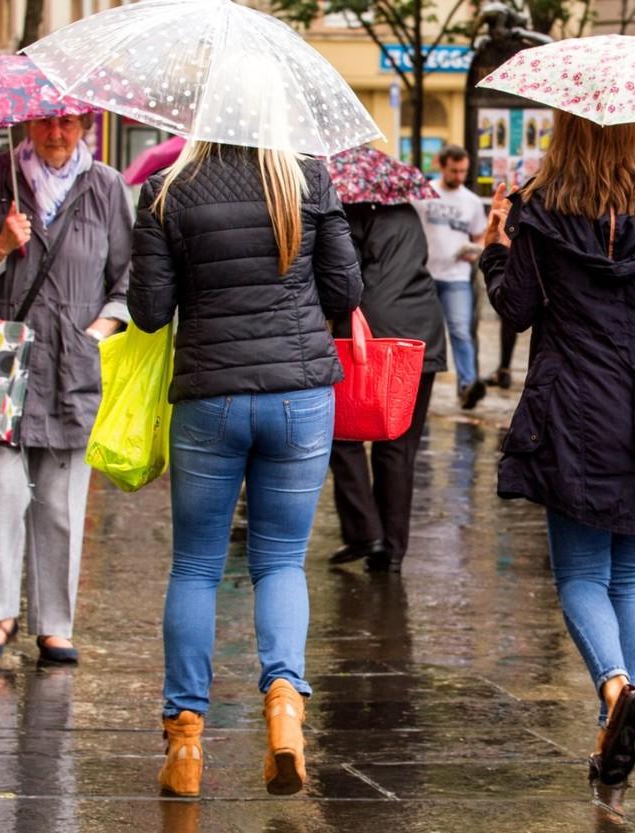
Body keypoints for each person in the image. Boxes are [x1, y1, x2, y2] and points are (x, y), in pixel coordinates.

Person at [480, 111, 635, 787]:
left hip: (574, 411)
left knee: (581, 576)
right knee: (626, 577)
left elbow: (514, 308)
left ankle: (614, 692)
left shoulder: (542, 207)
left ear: (568, 132)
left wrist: (497, 244)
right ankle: (615, 726)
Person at [129, 141, 361, 797]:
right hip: (300, 393)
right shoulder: (307, 177)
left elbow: (148, 310)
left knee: (197, 565)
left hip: (210, 395)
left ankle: (185, 741)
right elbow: (346, 289)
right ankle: (285, 705)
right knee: (282, 560)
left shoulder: (169, 187)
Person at [0, 114, 133, 665]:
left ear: (85, 126)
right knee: (2, 492)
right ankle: (0, 615)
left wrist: (98, 332)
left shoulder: (106, 186)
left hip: (73, 364)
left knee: (59, 502)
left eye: (70, 122)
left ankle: (54, 624)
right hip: (2, 362)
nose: (57, 133)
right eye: (48, 122)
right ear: (28, 123)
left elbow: (129, 275)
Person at [328, 200, 447, 572]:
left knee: (343, 435)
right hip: (421, 338)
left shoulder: (349, 214)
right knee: (399, 445)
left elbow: (342, 281)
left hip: (371, 339)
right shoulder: (408, 212)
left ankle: (365, 531)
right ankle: (391, 551)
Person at [412, 145, 488, 409]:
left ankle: (467, 386)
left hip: (457, 275)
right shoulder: (424, 195)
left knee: (460, 331)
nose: (459, 176)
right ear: (442, 166)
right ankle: (416, 389)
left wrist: (476, 249)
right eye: (454, 170)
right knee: (421, 336)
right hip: (425, 275)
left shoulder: (472, 201)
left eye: (463, 171)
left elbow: (480, 234)